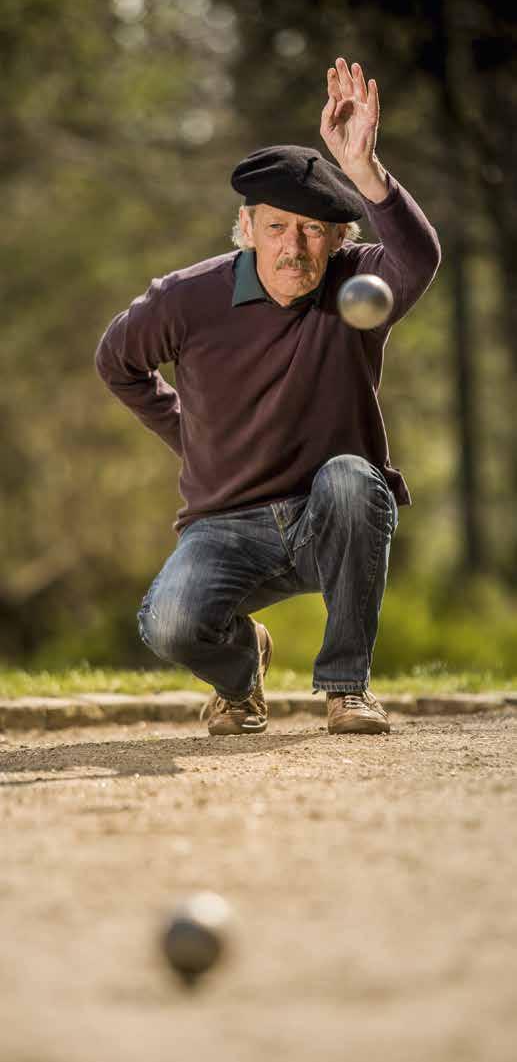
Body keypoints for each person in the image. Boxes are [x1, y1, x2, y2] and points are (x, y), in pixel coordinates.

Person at [95, 57, 441, 738]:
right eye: (277, 227)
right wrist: (187, 431)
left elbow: (419, 258)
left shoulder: (355, 289)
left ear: (340, 237)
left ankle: (346, 688)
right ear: (246, 227)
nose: (294, 247)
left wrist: (365, 169)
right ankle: (240, 670)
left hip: (329, 517)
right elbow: (117, 364)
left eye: (314, 230)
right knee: (168, 626)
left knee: (350, 478)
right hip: (226, 525)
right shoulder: (184, 299)